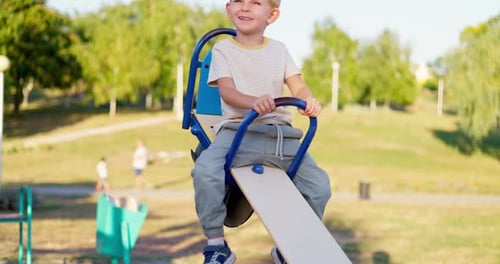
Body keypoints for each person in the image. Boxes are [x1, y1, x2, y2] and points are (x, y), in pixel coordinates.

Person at [191, 0, 332, 263]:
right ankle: (216, 244)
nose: (245, 8)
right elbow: (227, 91)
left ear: (273, 15)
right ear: (228, 8)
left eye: (255, 3)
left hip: (280, 137)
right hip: (237, 134)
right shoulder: (223, 50)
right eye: (238, 2)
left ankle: (290, 247)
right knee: (204, 170)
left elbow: (298, 86)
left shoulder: (279, 50)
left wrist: (309, 100)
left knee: (320, 186)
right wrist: (252, 101)